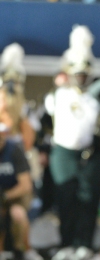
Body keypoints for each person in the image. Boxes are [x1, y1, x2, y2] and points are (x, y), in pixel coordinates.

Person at [44, 26, 100, 260]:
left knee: (88, 200)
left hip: (88, 153)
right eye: (77, 74)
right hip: (63, 152)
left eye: (84, 74)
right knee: (65, 199)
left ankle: (85, 244)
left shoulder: (94, 96)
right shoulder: (58, 95)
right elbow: (46, 119)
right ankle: (66, 243)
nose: (81, 78)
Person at [0, 89, 43, 260]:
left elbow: (25, 185)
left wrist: (4, 196)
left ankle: (22, 249)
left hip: (13, 192)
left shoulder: (14, 147)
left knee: (18, 214)